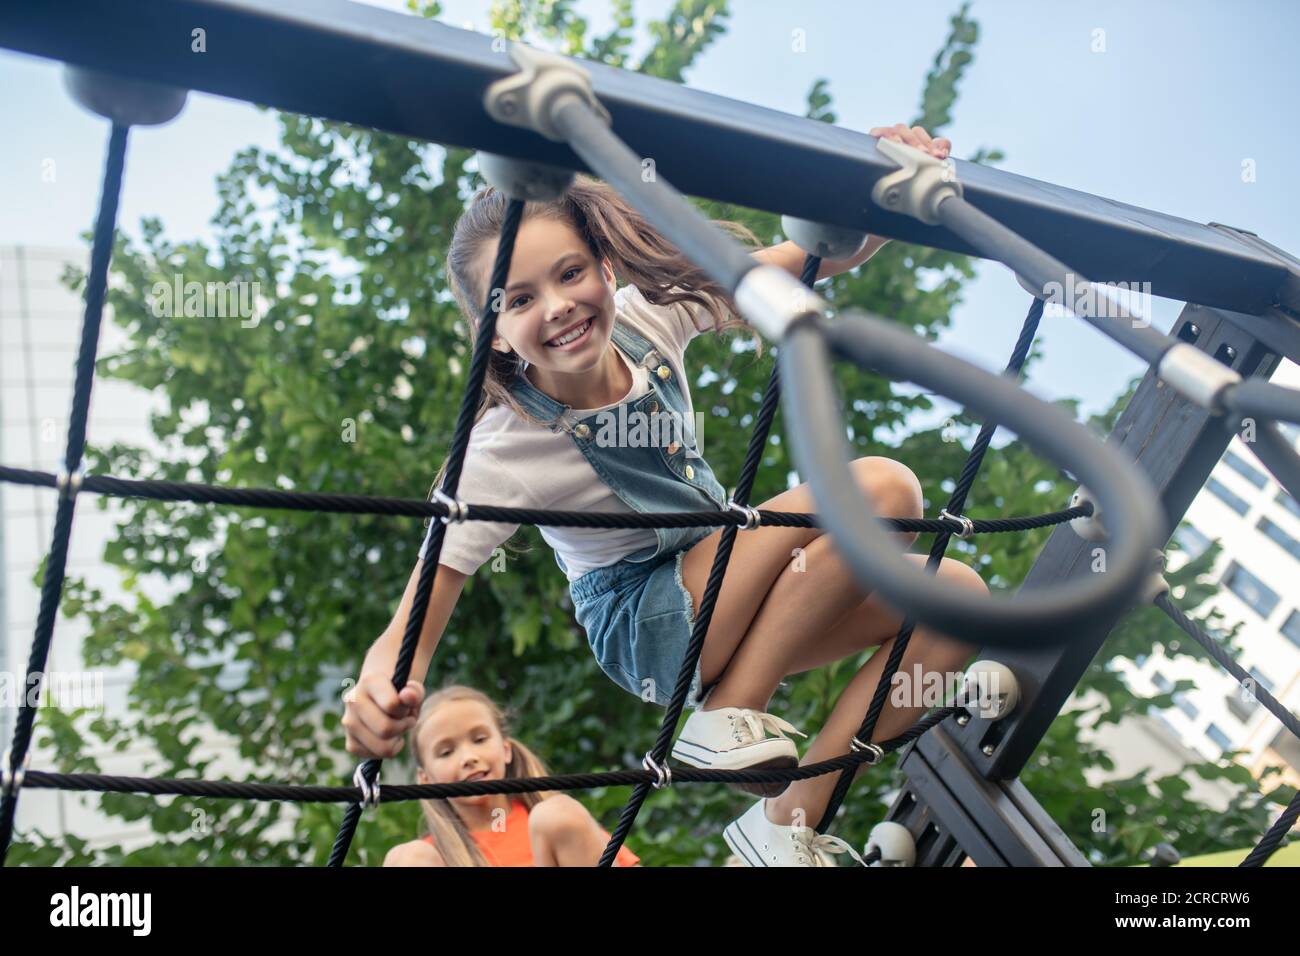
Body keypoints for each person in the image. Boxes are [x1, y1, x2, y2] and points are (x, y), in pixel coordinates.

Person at [345, 123, 988, 866]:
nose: (555, 305)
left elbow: (807, 260)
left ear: (607, 268)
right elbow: (420, 610)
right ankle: (728, 712)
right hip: (646, 622)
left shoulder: (652, 317)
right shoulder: (502, 449)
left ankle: (786, 822)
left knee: (953, 598)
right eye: (518, 299)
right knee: (881, 489)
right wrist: (381, 686)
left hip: (736, 584)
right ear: (492, 332)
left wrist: (878, 195)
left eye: (569, 273)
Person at [382, 684, 640, 867]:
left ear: (505, 749)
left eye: (479, 739)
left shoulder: (556, 825)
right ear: (426, 779)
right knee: (408, 858)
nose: (468, 757)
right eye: (447, 752)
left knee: (557, 813)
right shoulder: (431, 857)